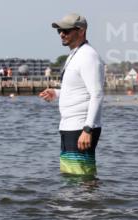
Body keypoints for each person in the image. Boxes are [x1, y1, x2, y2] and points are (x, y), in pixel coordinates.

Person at [39, 13, 105, 178]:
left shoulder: (88, 56)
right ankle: (76, 204)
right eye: (60, 30)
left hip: (81, 128)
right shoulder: (75, 54)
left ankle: (87, 203)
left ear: (81, 31)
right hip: (69, 126)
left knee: (82, 177)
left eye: (67, 30)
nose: (62, 33)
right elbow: (78, 89)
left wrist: (87, 129)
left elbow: (96, 94)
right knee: (71, 176)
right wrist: (56, 93)